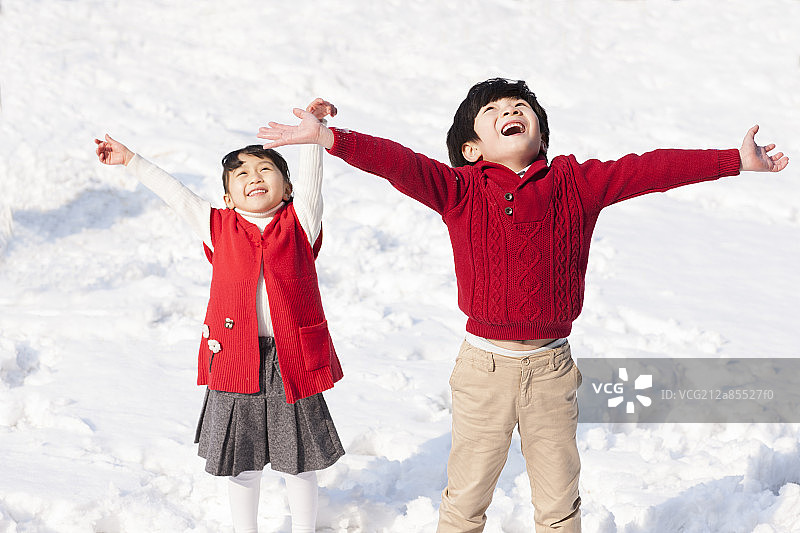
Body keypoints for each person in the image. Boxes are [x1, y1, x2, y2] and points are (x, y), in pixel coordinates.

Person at [255, 78, 789, 533]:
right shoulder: (457, 189)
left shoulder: (576, 183)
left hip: (551, 368)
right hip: (482, 369)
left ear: (540, 134)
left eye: (520, 109)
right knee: (466, 499)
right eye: (493, 112)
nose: (511, 112)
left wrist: (732, 161)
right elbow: (400, 163)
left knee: (558, 502)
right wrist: (330, 138)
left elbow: (649, 168)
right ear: (471, 148)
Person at [95, 98, 344, 533]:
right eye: (243, 174)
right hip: (234, 359)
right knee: (242, 463)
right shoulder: (217, 225)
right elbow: (174, 193)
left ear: (286, 188)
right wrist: (131, 160)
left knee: (299, 460)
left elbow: (312, 181)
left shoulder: (301, 221)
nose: (255, 177)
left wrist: (315, 130)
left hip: (294, 360)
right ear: (228, 196)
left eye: (266, 170)